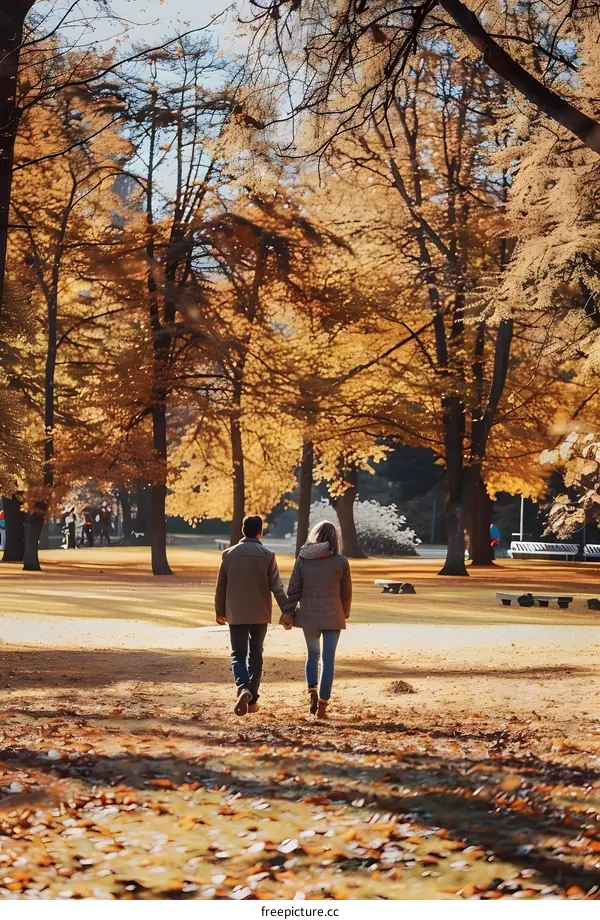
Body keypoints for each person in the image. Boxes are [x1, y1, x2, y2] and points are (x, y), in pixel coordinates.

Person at [215, 515, 288, 716]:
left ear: (243, 530)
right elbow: (277, 587)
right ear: (260, 532)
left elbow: (221, 587)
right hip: (260, 613)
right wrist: (287, 612)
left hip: (236, 613)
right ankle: (252, 699)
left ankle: (242, 688)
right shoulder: (268, 555)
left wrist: (220, 611)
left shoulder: (228, 555)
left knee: (238, 654)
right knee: (256, 654)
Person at [281, 520, 352, 719]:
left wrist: (288, 612)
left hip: (308, 614)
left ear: (316, 536)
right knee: (328, 660)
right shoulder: (341, 562)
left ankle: (311, 690)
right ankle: (322, 707)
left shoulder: (303, 558)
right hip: (333, 615)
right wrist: (344, 612)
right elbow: (346, 593)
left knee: (312, 655)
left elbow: (294, 588)